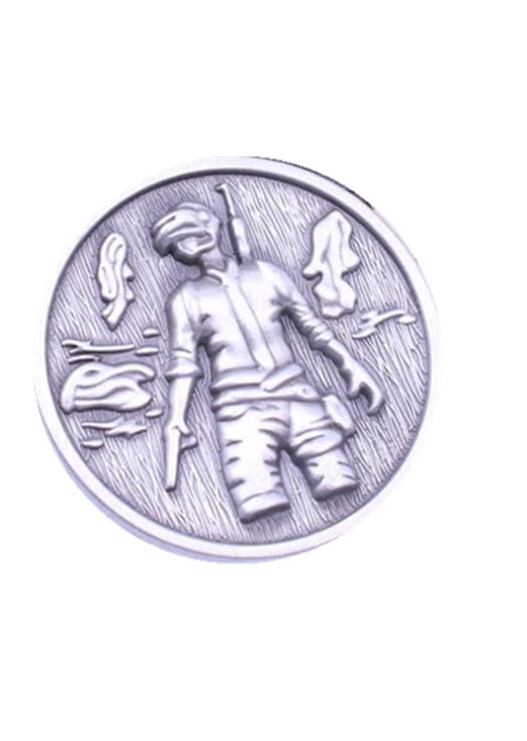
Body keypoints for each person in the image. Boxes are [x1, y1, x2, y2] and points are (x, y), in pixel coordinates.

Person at [151, 201, 384, 523]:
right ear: (176, 251)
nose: (191, 242)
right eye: (179, 241)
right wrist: (175, 418)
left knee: (339, 482)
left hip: (300, 400)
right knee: (258, 504)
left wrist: (349, 364)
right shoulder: (186, 299)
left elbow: (311, 325)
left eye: (195, 228)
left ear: (214, 226)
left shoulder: (267, 274)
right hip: (241, 414)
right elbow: (183, 364)